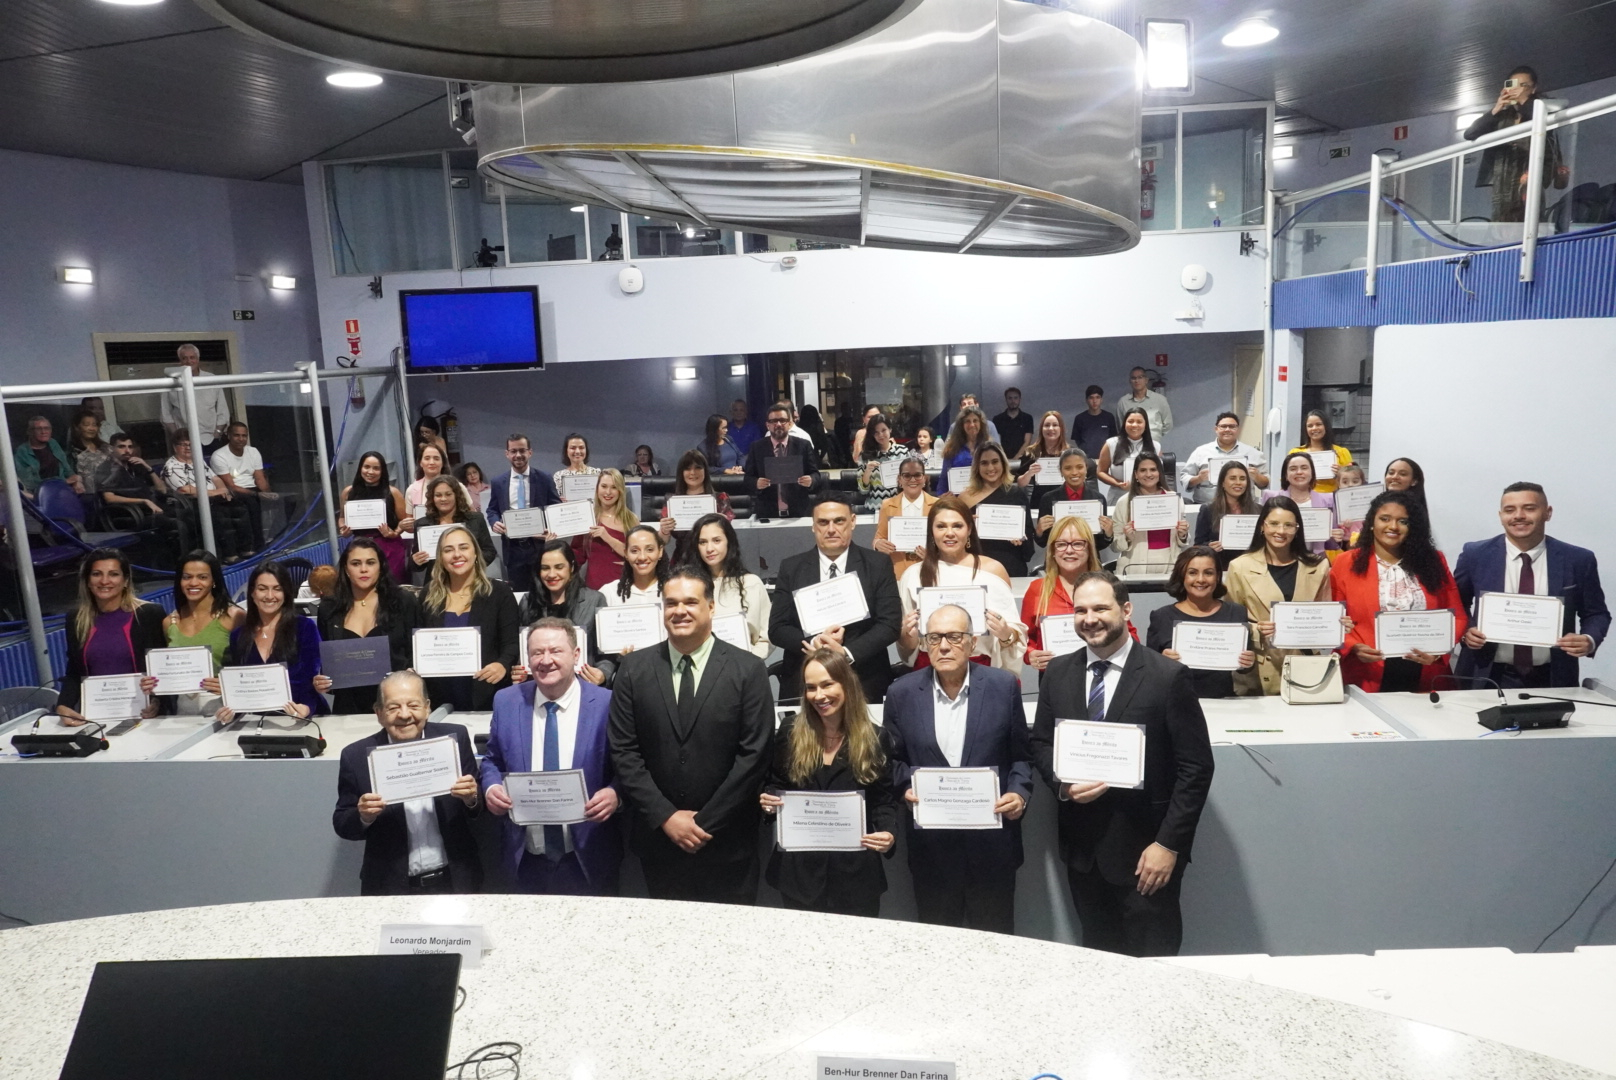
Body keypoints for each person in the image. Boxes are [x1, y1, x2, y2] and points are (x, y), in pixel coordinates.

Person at [1030, 571, 1214, 957]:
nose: (1089, 618)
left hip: (1146, 854)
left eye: (1100, 608)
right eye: (1080, 610)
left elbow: (1195, 768)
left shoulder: (1167, 677)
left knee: (1153, 963)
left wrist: (1168, 845)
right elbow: (1043, 744)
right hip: (1084, 854)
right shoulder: (1058, 674)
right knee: (1097, 963)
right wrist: (1063, 786)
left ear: (1126, 609)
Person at [608, 567, 775, 904]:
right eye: (670, 603)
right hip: (660, 842)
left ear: (711, 607)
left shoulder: (748, 669)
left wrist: (705, 822)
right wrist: (667, 817)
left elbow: (755, 755)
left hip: (729, 842)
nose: (679, 611)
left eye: (690, 602)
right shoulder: (633, 670)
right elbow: (624, 750)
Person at [884, 604, 1033, 933]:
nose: (944, 646)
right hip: (932, 851)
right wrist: (905, 787)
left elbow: (1021, 756)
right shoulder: (901, 693)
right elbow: (892, 761)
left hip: (992, 849)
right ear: (924, 643)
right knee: (938, 947)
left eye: (954, 636)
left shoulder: (1003, 687)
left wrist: (1018, 794)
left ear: (972, 641)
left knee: (995, 944)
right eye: (934, 638)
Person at [484, 619, 623, 895]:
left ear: (575, 655)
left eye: (555, 651)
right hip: (525, 858)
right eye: (537, 653)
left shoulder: (606, 703)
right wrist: (490, 787)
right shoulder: (506, 701)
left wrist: (615, 794)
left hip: (588, 855)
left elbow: (628, 767)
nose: (545, 660)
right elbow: (492, 760)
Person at [761, 649, 899, 916]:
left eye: (827, 684)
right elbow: (774, 782)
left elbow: (884, 799)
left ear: (846, 684)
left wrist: (888, 832)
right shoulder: (790, 732)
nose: (819, 695)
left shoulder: (874, 738)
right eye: (811, 688)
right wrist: (768, 800)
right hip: (799, 875)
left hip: (856, 875)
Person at [332, 671, 481, 896]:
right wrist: (363, 815)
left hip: (455, 879)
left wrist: (472, 799)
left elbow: (479, 809)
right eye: (393, 708)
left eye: (413, 705)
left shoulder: (455, 739)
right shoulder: (356, 756)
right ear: (378, 713)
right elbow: (342, 823)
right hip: (390, 885)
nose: (404, 715)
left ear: (427, 707)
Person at [1454, 482, 1610, 690]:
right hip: (1484, 674)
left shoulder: (1578, 559)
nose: (1519, 515)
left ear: (1548, 513)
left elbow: (1596, 613)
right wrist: (1466, 631)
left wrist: (1588, 639)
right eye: (1510, 510)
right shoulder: (1475, 554)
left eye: (1529, 508)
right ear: (1501, 516)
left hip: (1553, 676)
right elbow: (1455, 603)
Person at [769, 494, 903, 703]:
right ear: (813, 526)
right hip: (804, 678)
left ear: (853, 522)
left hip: (864, 676)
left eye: (839, 521)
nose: (831, 529)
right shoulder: (791, 567)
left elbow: (890, 624)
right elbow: (777, 628)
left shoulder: (878, 564)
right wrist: (815, 642)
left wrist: (846, 652)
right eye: (823, 522)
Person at [1331, 491, 1467, 694]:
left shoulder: (1433, 560)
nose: (1393, 527)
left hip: (1425, 669)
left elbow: (1458, 616)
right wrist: (1354, 647)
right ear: (1371, 522)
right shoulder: (1346, 562)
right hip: (1367, 671)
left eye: (1402, 521)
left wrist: (1439, 652)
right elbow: (1335, 618)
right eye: (1384, 519)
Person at [896, 496, 1025, 674]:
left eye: (957, 525)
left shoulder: (993, 570)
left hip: (982, 668)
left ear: (969, 529)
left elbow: (1014, 635)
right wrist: (908, 635)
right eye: (941, 526)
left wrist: (1004, 634)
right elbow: (907, 646)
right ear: (931, 532)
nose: (949, 533)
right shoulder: (913, 575)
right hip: (929, 668)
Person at [1223, 496, 1335, 696]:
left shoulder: (1318, 566)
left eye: (1288, 525)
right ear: (1262, 526)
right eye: (1274, 524)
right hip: (1259, 665)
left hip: (1306, 665)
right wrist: (1258, 630)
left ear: (1297, 529)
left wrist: (1336, 624)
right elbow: (1230, 621)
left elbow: (1324, 614)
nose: (1281, 531)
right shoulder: (1239, 567)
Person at [313, 538, 425, 715]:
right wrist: (321, 681)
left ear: (381, 567)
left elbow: (417, 653)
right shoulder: (329, 608)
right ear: (346, 569)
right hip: (347, 710)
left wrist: (413, 671)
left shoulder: (404, 601)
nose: (363, 569)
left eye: (370, 563)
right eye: (356, 563)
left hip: (396, 707)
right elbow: (325, 661)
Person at [55, 548, 164, 725]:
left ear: (126, 580)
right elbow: (74, 671)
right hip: (95, 719)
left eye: (113, 574)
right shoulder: (76, 618)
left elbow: (162, 670)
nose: (104, 581)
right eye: (97, 574)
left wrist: (158, 702)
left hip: (145, 718)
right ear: (88, 581)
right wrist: (63, 706)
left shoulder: (149, 614)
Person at [419, 524, 519, 712]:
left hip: (487, 693)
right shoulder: (427, 595)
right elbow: (415, 641)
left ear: (475, 553)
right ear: (441, 558)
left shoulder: (499, 593)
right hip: (439, 696)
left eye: (463, 547)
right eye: (448, 550)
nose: (457, 555)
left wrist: (502, 664)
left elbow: (512, 642)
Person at [214, 561, 326, 720]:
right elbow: (243, 688)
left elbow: (312, 679)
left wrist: (307, 708)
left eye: (277, 589)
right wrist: (231, 711)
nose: (269, 596)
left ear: (286, 593)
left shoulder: (304, 627)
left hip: (305, 718)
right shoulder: (238, 636)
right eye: (262, 589)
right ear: (252, 593)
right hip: (259, 721)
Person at [1147, 547, 1255, 699]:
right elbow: (1148, 670)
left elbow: (1243, 668)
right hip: (1175, 702)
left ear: (1218, 576)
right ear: (1182, 576)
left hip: (1224, 702)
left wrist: (1248, 662)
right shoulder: (1162, 617)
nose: (1201, 579)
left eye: (1208, 573)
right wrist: (1162, 662)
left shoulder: (1236, 613)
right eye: (1192, 573)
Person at [1463, 65, 1566, 222]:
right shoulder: (1501, 116)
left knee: (1530, 219)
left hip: (1528, 181)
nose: (1517, 89)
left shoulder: (1543, 108)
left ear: (1533, 89)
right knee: (1501, 224)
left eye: (1523, 85)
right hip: (1502, 182)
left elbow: (1543, 123)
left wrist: (1523, 101)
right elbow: (1470, 133)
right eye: (1512, 85)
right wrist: (1496, 109)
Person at [514, 540, 614, 686]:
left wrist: (603, 673)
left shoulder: (595, 600)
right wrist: (519, 670)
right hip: (541, 686)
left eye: (559, 567)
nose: (552, 574)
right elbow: (523, 651)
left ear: (571, 567)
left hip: (582, 684)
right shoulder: (528, 602)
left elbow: (607, 652)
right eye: (545, 568)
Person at [1022, 514, 1103, 674]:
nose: (1069, 550)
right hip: (1054, 677)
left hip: (1100, 675)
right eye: (1061, 544)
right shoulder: (1037, 589)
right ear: (1052, 550)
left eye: (1078, 544)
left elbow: (1129, 635)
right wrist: (1030, 654)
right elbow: (1023, 638)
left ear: (1089, 548)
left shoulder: (1106, 587)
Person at [687, 514, 773, 660]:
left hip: (743, 670)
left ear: (729, 542)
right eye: (702, 542)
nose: (709, 548)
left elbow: (767, 637)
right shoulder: (688, 586)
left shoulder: (751, 583)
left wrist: (748, 661)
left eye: (716, 540)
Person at [486, 433, 561, 596]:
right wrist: (494, 522)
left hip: (539, 547)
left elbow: (556, 507)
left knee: (545, 594)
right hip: (513, 549)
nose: (518, 455)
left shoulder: (544, 478)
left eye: (522, 450)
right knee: (520, 596)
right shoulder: (498, 482)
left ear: (530, 452)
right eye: (513, 451)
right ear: (507, 454)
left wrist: (549, 528)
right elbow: (492, 510)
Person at [162, 432, 255, 562]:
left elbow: (215, 478)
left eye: (190, 444)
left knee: (241, 506)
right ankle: (230, 555)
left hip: (214, 498)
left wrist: (222, 490)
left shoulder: (198, 462)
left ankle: (246, 549)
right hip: (192, 505)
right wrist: (216, 493)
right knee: (221, 514)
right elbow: (187, 490)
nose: (188, 448)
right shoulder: (171, 467)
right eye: (183, 445)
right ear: (175, 447)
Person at [163, 550, 242, 700]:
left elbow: (250, 665)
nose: (193, 583)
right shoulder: (169, 623)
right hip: (183, 712)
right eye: (187, 577)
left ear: (214, 581)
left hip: (226, 706)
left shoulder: (234, 617)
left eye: (202, 577)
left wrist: (231, 684)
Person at [957, 442, 1033, 577]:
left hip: (1010, 565)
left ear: (1003, 463)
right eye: (984, 463)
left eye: (995, 461)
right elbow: (956, 538)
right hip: (976, 566)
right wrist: (966, 526)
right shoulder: (965, 497)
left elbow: (1028, 539)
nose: (990, 467)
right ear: (977, 467)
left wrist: (1021, 539)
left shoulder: (1017, 494)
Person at [1110, 452, 1189, 576]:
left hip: (1170, 563)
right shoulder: (1123, 503)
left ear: (1159, 473)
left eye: (1153, 469)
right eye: (1143, 470)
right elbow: (1115, 546)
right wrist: (1127, 537)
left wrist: (1182, 534)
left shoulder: (1174, 499)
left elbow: (1183, 541)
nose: (1148, 474)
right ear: (1136, 474)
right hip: (1134, 564)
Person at [337, 451, 411, 582]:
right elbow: (342, 517)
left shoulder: (393, 493)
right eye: (366, 467)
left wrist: (394, 533)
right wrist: (344, 529)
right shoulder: (348, 492)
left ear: (382, 470)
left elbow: (404, 521)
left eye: (376, 468)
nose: (370, 472)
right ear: (360, 468)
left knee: (391, 585)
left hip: (389, 546)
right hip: (360, 545)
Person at [409, 476, 497, 584]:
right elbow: (415, 565)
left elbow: (489, 552)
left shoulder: (475, 519)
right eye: (438, 495)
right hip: (436, 583)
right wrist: (416, 561)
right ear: (432, 498)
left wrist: (468, 562)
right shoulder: (422, 524)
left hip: (471, 579)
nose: (443, 499)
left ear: (456, 495)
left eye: (448, 494)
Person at [209, 421, 281, 553]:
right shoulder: (219, 456)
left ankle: (276, 540)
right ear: (229, 436)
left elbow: (260, 478)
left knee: (284, 500)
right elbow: (230, 486)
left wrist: (268, 493)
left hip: (253, 489)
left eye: (244, 436)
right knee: (252, 502)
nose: (241, 439)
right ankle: (258, 548)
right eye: (237, 435)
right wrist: (257, 495)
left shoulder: (253, 451)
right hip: (233, 492)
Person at [743, 403, 822, 520]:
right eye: (774, 421)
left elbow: (816, 475)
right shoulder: (757, 447)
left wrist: (811, 480)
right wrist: (756, 483)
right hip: (767, 511)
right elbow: (747, 479)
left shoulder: (803, 445)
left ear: (790, 424)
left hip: (799, 510)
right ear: (767, 425)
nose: (778, 424)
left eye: (782, 420)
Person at [94, 432, 176, 539]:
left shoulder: (135, 466)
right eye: (121, 447)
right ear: (111, 449)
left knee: (189, 515)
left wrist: (148, 467)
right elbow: (109, 498)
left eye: (130, 447)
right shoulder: (106, 468)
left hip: (150, 510)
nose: (127, 451)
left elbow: (162, 490)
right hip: (130, 515)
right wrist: (144, 501)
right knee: (177, 524)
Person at [657, 451, 732, 566]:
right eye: (687, 468)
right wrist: (664, 531)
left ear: (705, 471)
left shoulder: (720, 499)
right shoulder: (672, 501)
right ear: (681, 473)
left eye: (698, 467)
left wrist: (724, 525)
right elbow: (664, 541)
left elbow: (728, 538)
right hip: (682, 561)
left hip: (713, 560)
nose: (692, 472)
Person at [1264, 451, 1344, 556]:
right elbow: (1264, 533)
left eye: (1304, 468)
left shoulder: (1328, 500)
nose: (1299, 472)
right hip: (1278, 558)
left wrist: (1335, 536)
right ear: (1286, 475)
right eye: (1293, 469)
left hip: (1314, 560)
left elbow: (1331, 544)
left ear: (1312, 473)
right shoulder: (1271, 498)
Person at [1033, 449, 1110, 553]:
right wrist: (1039, 532)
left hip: (1089, 559)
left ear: (1086, 468)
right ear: (1061, 471)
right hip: (1059, 558)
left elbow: (1100, 544)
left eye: (1079, 467)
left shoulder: (1098, 499)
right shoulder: (1048, 499)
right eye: (1068, 468)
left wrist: (1108, 534)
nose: (1074, 473)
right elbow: (1042, 543)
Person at [161, 343, 231, 457]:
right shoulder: (171, 381)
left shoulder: (211, 379)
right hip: (184, 443)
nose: (189, 361)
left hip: (210, 440)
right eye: (185, 358)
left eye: (192, 357)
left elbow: (223, 411)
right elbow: (166, 414)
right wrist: (178, 436)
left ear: (198, 359)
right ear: (180, 360)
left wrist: (217, 434)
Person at [874, 456, 937, 578]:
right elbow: (879, 537)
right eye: (907, 476)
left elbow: (942, 541)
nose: (912, 479)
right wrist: (878, 544)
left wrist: (932, 554)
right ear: (899, 479)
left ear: (924, 478)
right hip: (897, 570)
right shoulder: (887, 505)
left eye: (917, 475)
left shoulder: (937, 505)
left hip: (928, 568)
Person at [1183, 412, 1268, 503]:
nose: (1227, 429)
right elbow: (1185, 478)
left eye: (1232, 427)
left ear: (1238, 430)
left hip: (1243, 506)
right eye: (1223, 426)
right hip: (1207, 506)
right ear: (1216, 429)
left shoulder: (1253, 453)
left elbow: (1265, 483)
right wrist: (1199, 478)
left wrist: (1257, 477)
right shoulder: (1200, 452)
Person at [576, 468, 638, 592]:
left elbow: (637, 554)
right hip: (594, 589)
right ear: (597, 488)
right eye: (604, 486)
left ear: (620, 491)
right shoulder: (587, 518)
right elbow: (576, 555)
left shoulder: (631, 520)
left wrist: (608, 538)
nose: (608, 492)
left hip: (624, 586)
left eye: (614, 487)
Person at [1192, 460, 1260, 568]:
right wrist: (1209, 547)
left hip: (1250, 568)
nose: (1238, 482)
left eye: (1242, 479)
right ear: (1223, 483)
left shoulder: (1258, 510)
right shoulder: (1208, 509)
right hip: (1219, 567)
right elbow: (1197, 545)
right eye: (1232, 478)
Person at [13, 415, 84, 495]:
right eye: (39, 429)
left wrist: (76, 481)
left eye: (47, 428)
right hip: (39, 495)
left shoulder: (53, 444)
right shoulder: (22, 451)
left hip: (62, 490)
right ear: (30, 431)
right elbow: (29, 483)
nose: (43, 432)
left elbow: (67, 469)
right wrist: (62, 481)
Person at [1095, 407, 1156, 495]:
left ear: (1145, 425)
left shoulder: (1155, 446)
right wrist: (1118, 483)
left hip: (1146, 495)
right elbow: (1100, 472)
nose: (1134, 425)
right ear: (1124, 424)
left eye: (1139, 422)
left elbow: (1158, 474)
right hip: (1118, 494)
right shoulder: (1111, 444)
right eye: (1130, 421)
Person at [1290, 409, 1352, 495]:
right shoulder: (1296, 453)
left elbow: (1353, 481)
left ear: (1326, 426)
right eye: (1310, 426)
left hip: (1333, 498)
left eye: (1318, 424)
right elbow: (1286, 480)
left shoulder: (1341, 452)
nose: (1314, 428)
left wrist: (1341, 473)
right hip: (1303, 498)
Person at [605, 525, 667, 607]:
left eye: (649, 550)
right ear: (626, 553)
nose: (642, 557)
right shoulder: (610, 592)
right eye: (634, 551)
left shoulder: (674, 589)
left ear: (660, 551)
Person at [856, 414, 909, 509]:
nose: (880, 435)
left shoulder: (903, 451)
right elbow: (863, 490)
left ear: (890, 429)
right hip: (875, 508)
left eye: (884, 430)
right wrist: (867, 471)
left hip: (900, 506)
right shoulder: (865, 456)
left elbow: (911, 482)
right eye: (876, 432)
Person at [934, 406, 991, 495]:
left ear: (981, 424)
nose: (972, 424)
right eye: (967, 421)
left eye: (975, 421)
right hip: (959, 500)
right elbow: (944, 478)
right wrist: (941, 496)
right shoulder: (951, 449)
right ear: (961, 425)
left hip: (984, 498)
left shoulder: (989, 447)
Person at [1012, 411, 1072, 489]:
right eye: (1047, 425)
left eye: (1055, 425)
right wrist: (1029, 473)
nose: (1050, 428)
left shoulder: (1071, 453)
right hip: (1040, 498)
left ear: (1061, 429)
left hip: (1064, 497)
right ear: (1041, 429)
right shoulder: (1031, 453)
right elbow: (1020, 483)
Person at [1114, 366, 1173, 443]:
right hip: (1130, 447)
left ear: (1146, 380)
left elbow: (1168, 425)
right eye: (1133, 378)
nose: (1136, 381)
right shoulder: (1123, 402)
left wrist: (1155, 437)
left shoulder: (1160, 400)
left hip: (1153, 445)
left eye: (1140, 377)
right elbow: (1121, 427)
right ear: (1130, 381)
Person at [67, 409, 110, 495]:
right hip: (90, 497)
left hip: (114, 494)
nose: (92, 428)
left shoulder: (106, 448)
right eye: (87, 425)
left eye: (94, 425)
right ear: (77, 427)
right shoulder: (73, 454)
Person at [1071, 385, 1119, 460]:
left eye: (1097, 397)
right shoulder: (1079, 418)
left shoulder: (1109, 417)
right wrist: (1085, 450)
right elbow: (1077, 440)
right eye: (1091, 398)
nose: (1094, 401)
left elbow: (1113, 438)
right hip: (1086, 459)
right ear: (1086, 400)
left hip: (1106, 458)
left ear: (1101, 400)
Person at [404, 443, 454, 512]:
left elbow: (470, 515)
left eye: (436, 459)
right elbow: (410, 520)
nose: (432, 462)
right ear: (421, 463)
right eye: (427, 458)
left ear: (442, 463)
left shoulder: (457, 486)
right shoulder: (411, 490)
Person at [992, 387, 1036, 460]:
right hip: (1002, 459)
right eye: (1010, 398)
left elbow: (1027, 441)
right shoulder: (997, 419)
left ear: (1020, 399)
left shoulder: (1027, 418)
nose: (1013, 401)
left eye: (1015, 398)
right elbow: (997, 442)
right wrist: (1004, 459)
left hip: (1022, 460)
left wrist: (1015, 459)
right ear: (1006, 400)